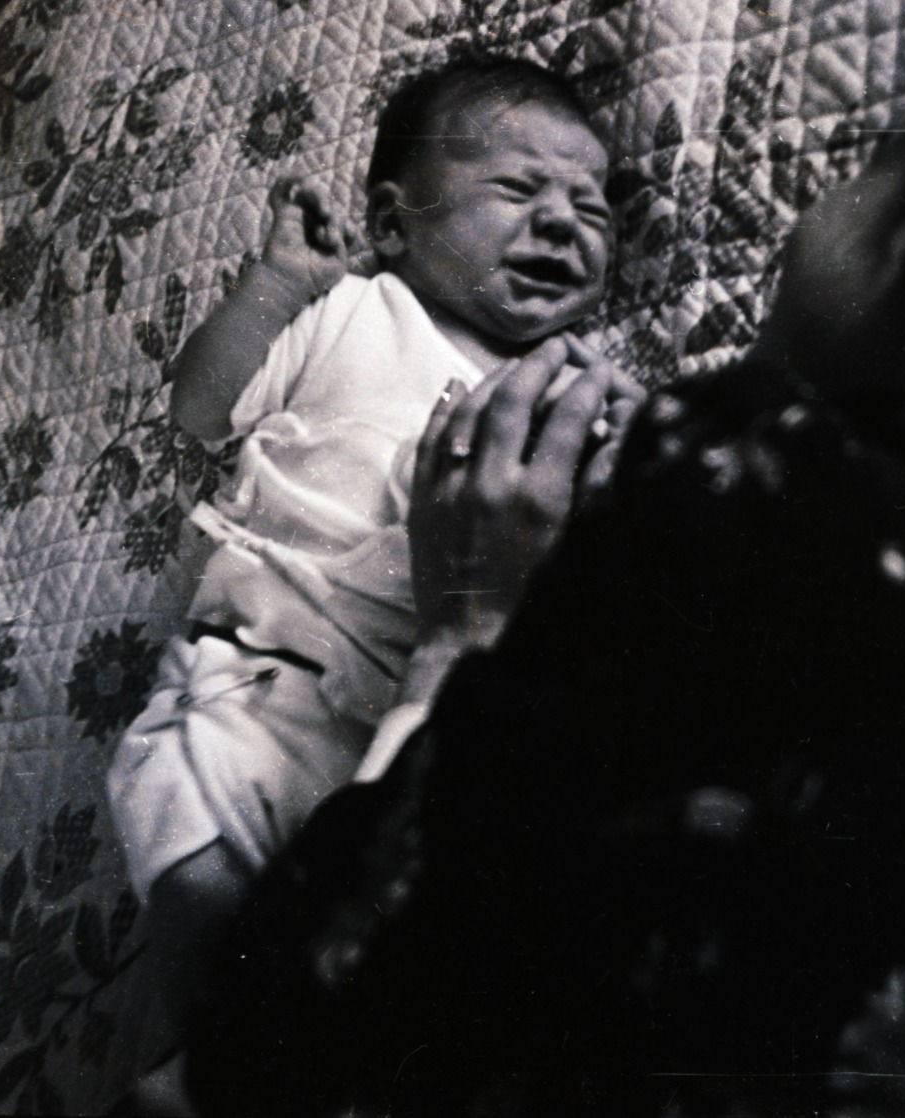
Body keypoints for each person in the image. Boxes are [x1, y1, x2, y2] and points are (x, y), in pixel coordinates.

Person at [182, 0, 905, 1114]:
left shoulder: (746, 469)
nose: (568, 222)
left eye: (890, 153)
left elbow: (292, 1027)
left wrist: (473, 630)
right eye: (519, 189)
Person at [105, 56, 639, 1032]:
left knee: (377, 957)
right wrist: (275, 288)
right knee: (212, 916)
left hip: (402, 742)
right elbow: (201, 408)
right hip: (252, 708)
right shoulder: (352, 311)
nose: (564, 221)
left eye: (594, 208)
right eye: (518, 189)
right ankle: (190, 1051)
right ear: (394, 225)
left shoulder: (568, 385)